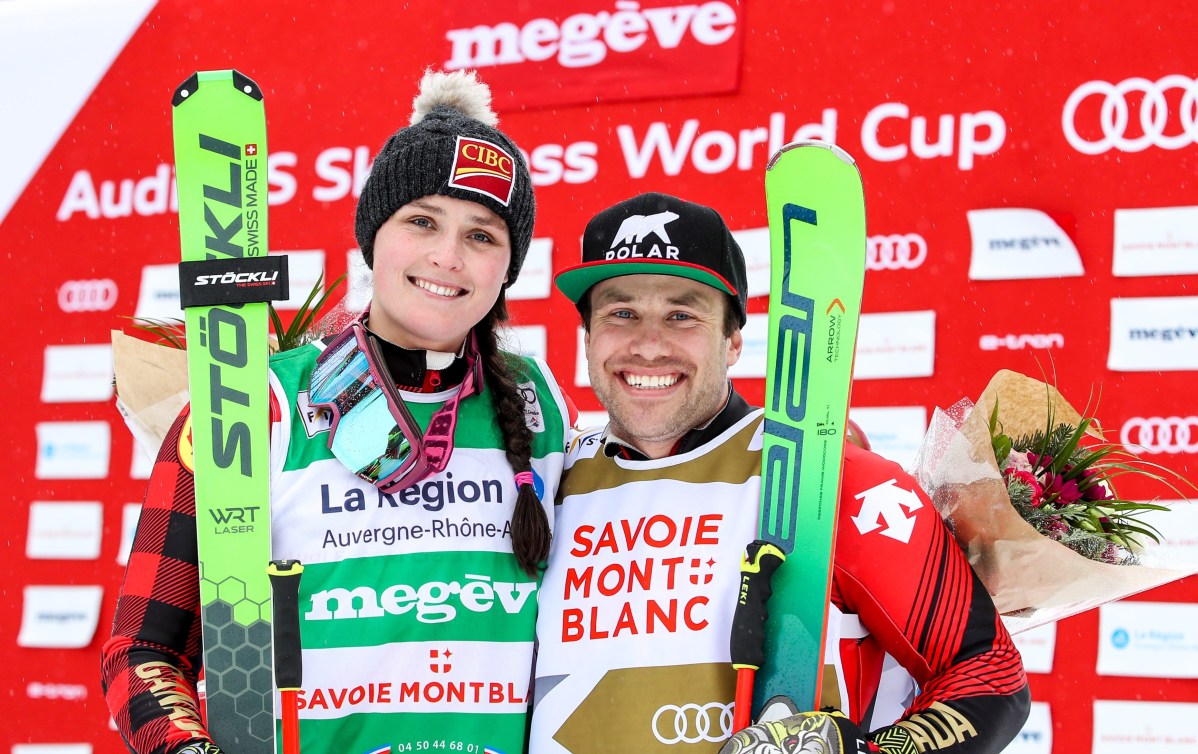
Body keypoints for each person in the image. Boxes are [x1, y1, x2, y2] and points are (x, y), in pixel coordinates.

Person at [101, 70, 573, 754]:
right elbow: (144, 648)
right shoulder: (252, 402)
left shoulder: (539, 408)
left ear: (508, 266)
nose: (448, 256)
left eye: (483, 235)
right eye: (422, 221)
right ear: (372, 237)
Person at [529, 193, 1030, 754]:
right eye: (621, 313)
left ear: (734, 340)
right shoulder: (545, 490)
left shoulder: (830, 482)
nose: (648, 344)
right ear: (588, 338)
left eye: (682, 315)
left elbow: (988, 675)